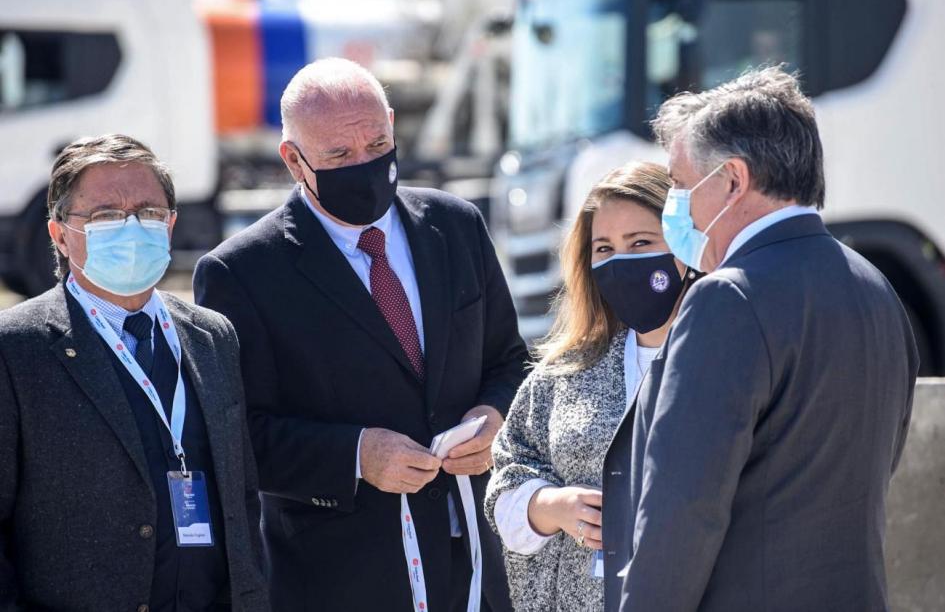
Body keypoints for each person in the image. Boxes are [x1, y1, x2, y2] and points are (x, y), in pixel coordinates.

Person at [192, 58, 528, 612]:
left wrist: (494, 418)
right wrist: (355, 455)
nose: (365, 166)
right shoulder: (242, 272)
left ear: (393, 125)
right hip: (342, 579)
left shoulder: (457, 225)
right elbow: (238, 436)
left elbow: (510, 363)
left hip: (471, 560)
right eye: (340, 156)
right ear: (293, 160)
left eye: (377, 145)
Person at [604, 66, 919, 611]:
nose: (675, 204)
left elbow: (682, 512)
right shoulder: (877, 288)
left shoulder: (727, 299)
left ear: (732, 179)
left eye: (679, 184)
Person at [0, 134, 268, 611]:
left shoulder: (212, 336)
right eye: (105, 215)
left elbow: (242, 496)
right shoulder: (16, 347)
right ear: (59, 234)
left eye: (148, 213)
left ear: (170, 225)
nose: (131, 228)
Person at [485, 162, 695, 612]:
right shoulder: (563, 374)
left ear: (685, 245)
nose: (621, 261)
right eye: (604, 248)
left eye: (641, 243)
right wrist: (548, 506)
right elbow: (505, 478)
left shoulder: (732, 358)